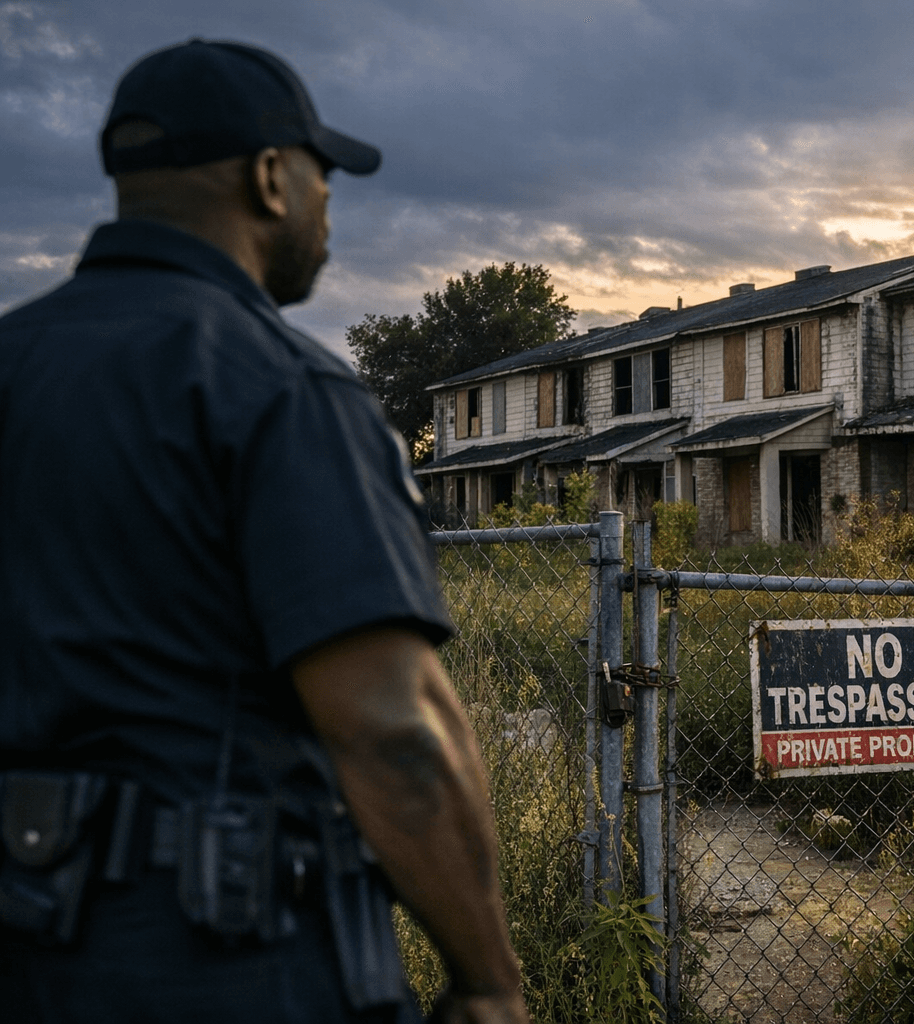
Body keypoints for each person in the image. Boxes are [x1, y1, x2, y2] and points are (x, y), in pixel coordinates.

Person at [0, 39, 529, 1024]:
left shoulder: (15, 362)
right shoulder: (279, 389)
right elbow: (392, 730)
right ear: (270, 178)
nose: (329, 206)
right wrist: (488, 979)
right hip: (227, 958)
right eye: (325, 176)